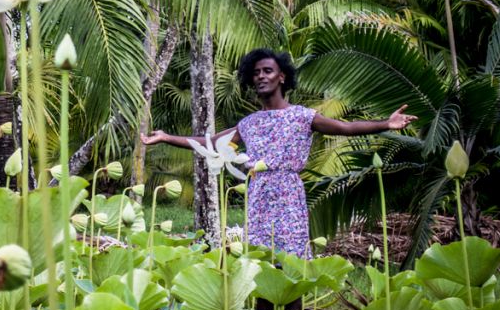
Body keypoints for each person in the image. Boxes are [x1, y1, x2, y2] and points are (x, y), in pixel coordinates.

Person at [141, 47, 417, 259]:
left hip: (288, 193)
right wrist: (166, 137)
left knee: (291, 263)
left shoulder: (302, 116)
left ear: (282, 77)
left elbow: (345, 127)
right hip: (258, 194)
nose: (261, 76)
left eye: (268, 71)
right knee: (262, 263)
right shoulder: (249, 123)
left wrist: (386, 123)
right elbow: (211, 143)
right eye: (256, 72)